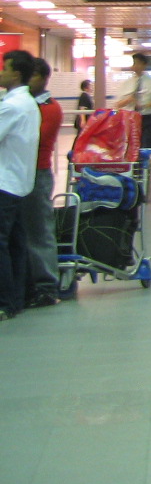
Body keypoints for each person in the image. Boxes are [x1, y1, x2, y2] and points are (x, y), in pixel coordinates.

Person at [0, 50, 40, 322]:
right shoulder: (28, 103)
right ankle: (17, 299)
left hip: (4, 182)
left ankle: (4, 302)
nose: (1, 72)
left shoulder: (11, 106)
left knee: (2, 244)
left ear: (15, 73)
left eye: (4, 68)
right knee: (15, 243)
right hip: (20, 183)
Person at [21, 59, 61, 307]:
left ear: (45, 78)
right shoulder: (20, 104)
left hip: (37, 174)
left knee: (38, 230)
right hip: (16, 174)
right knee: (20, 232)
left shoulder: (50, 108)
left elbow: (31, 141)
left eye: (33, 76)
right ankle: (25, 282)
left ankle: (47, 285)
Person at [115, 52, 151, 152]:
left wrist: (143, 105)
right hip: (130, 117)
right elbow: (118, 104)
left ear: (144, 65)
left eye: (137, 63)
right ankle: (134, 163)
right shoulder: (126, 83)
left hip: (147, 118)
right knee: (131, 145)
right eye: (134, 63)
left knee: (145, 144)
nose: (134, 66)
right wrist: (129, 99)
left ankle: (143, 165)